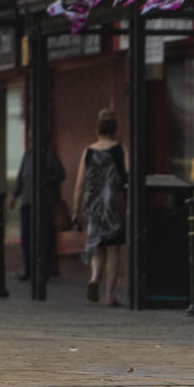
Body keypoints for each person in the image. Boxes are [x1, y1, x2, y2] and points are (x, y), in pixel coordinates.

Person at [71, 108, 129, 306]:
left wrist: (76, 211)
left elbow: (79, 184)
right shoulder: (120, 149)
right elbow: (128, 176)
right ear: (114, 128)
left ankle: (95, 277)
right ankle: (110, 295)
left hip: (93, 205)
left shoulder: (88, 151)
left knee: (97, 245)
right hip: (112, 204)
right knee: (113, 249)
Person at [9, 137, 65, 281]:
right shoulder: (27, 155)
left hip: (45, 205)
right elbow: (21, 177)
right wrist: (14, 196)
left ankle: (44, 271)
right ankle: (29, 270)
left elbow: (61, 174)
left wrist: (45, 179)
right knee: (26, 238)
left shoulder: (49, 155)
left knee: (44, 238)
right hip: (27, 203)